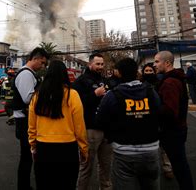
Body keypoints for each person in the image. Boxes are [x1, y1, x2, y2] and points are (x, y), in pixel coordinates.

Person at [97, 58, 161, 190]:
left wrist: (111, 136)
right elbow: (160, 114)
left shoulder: (112, 95)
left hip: (123, 153)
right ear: (137, 72)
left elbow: (101, 120)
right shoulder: (151, 92)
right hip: (151, 151)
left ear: (119, 73)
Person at [28, 60, 88, 189]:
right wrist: (83, 149)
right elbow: (79, 126)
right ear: (64, 74)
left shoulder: (37, 96)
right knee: (67, 185)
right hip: (67, 150)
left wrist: (33, 145)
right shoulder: (72, 95)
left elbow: (32, 125)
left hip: (43, 149)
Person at [154, 51, 194, 190]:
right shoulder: (175, 79)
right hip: (177, 129)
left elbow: (170, 111)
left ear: (167, 63)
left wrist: (153, 109)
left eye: (157, 61)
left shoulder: (170, 82)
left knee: (179, 166)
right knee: (179, 164)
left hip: (172, 131)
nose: (155, 65)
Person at [73, 53, 112, 190]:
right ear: (90, 64)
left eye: (102, 64)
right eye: (97, 64)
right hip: (90, 129)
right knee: (86, 166)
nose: (100, 67)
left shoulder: (105, 80)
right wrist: (95, 95)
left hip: (106, 129)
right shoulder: (80, 82)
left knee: (106, 166)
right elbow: (76, 105)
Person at [12, 47, 49, 190]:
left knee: (28, 156)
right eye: (43, 63)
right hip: (24, 120)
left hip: (26, 119)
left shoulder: (30, 74)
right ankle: (24, 187)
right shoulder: (26, 74)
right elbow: (28, 99)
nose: (43, 66)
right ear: (35, 59)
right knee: (27, 157)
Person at [142, 62, 174, 180]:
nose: (149, 73)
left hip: (160, 119)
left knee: (164, 146)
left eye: (151, 71)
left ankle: (167, 168)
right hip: (146, 120)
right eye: (147, 71)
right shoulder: (141, 85)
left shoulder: (160, 84)